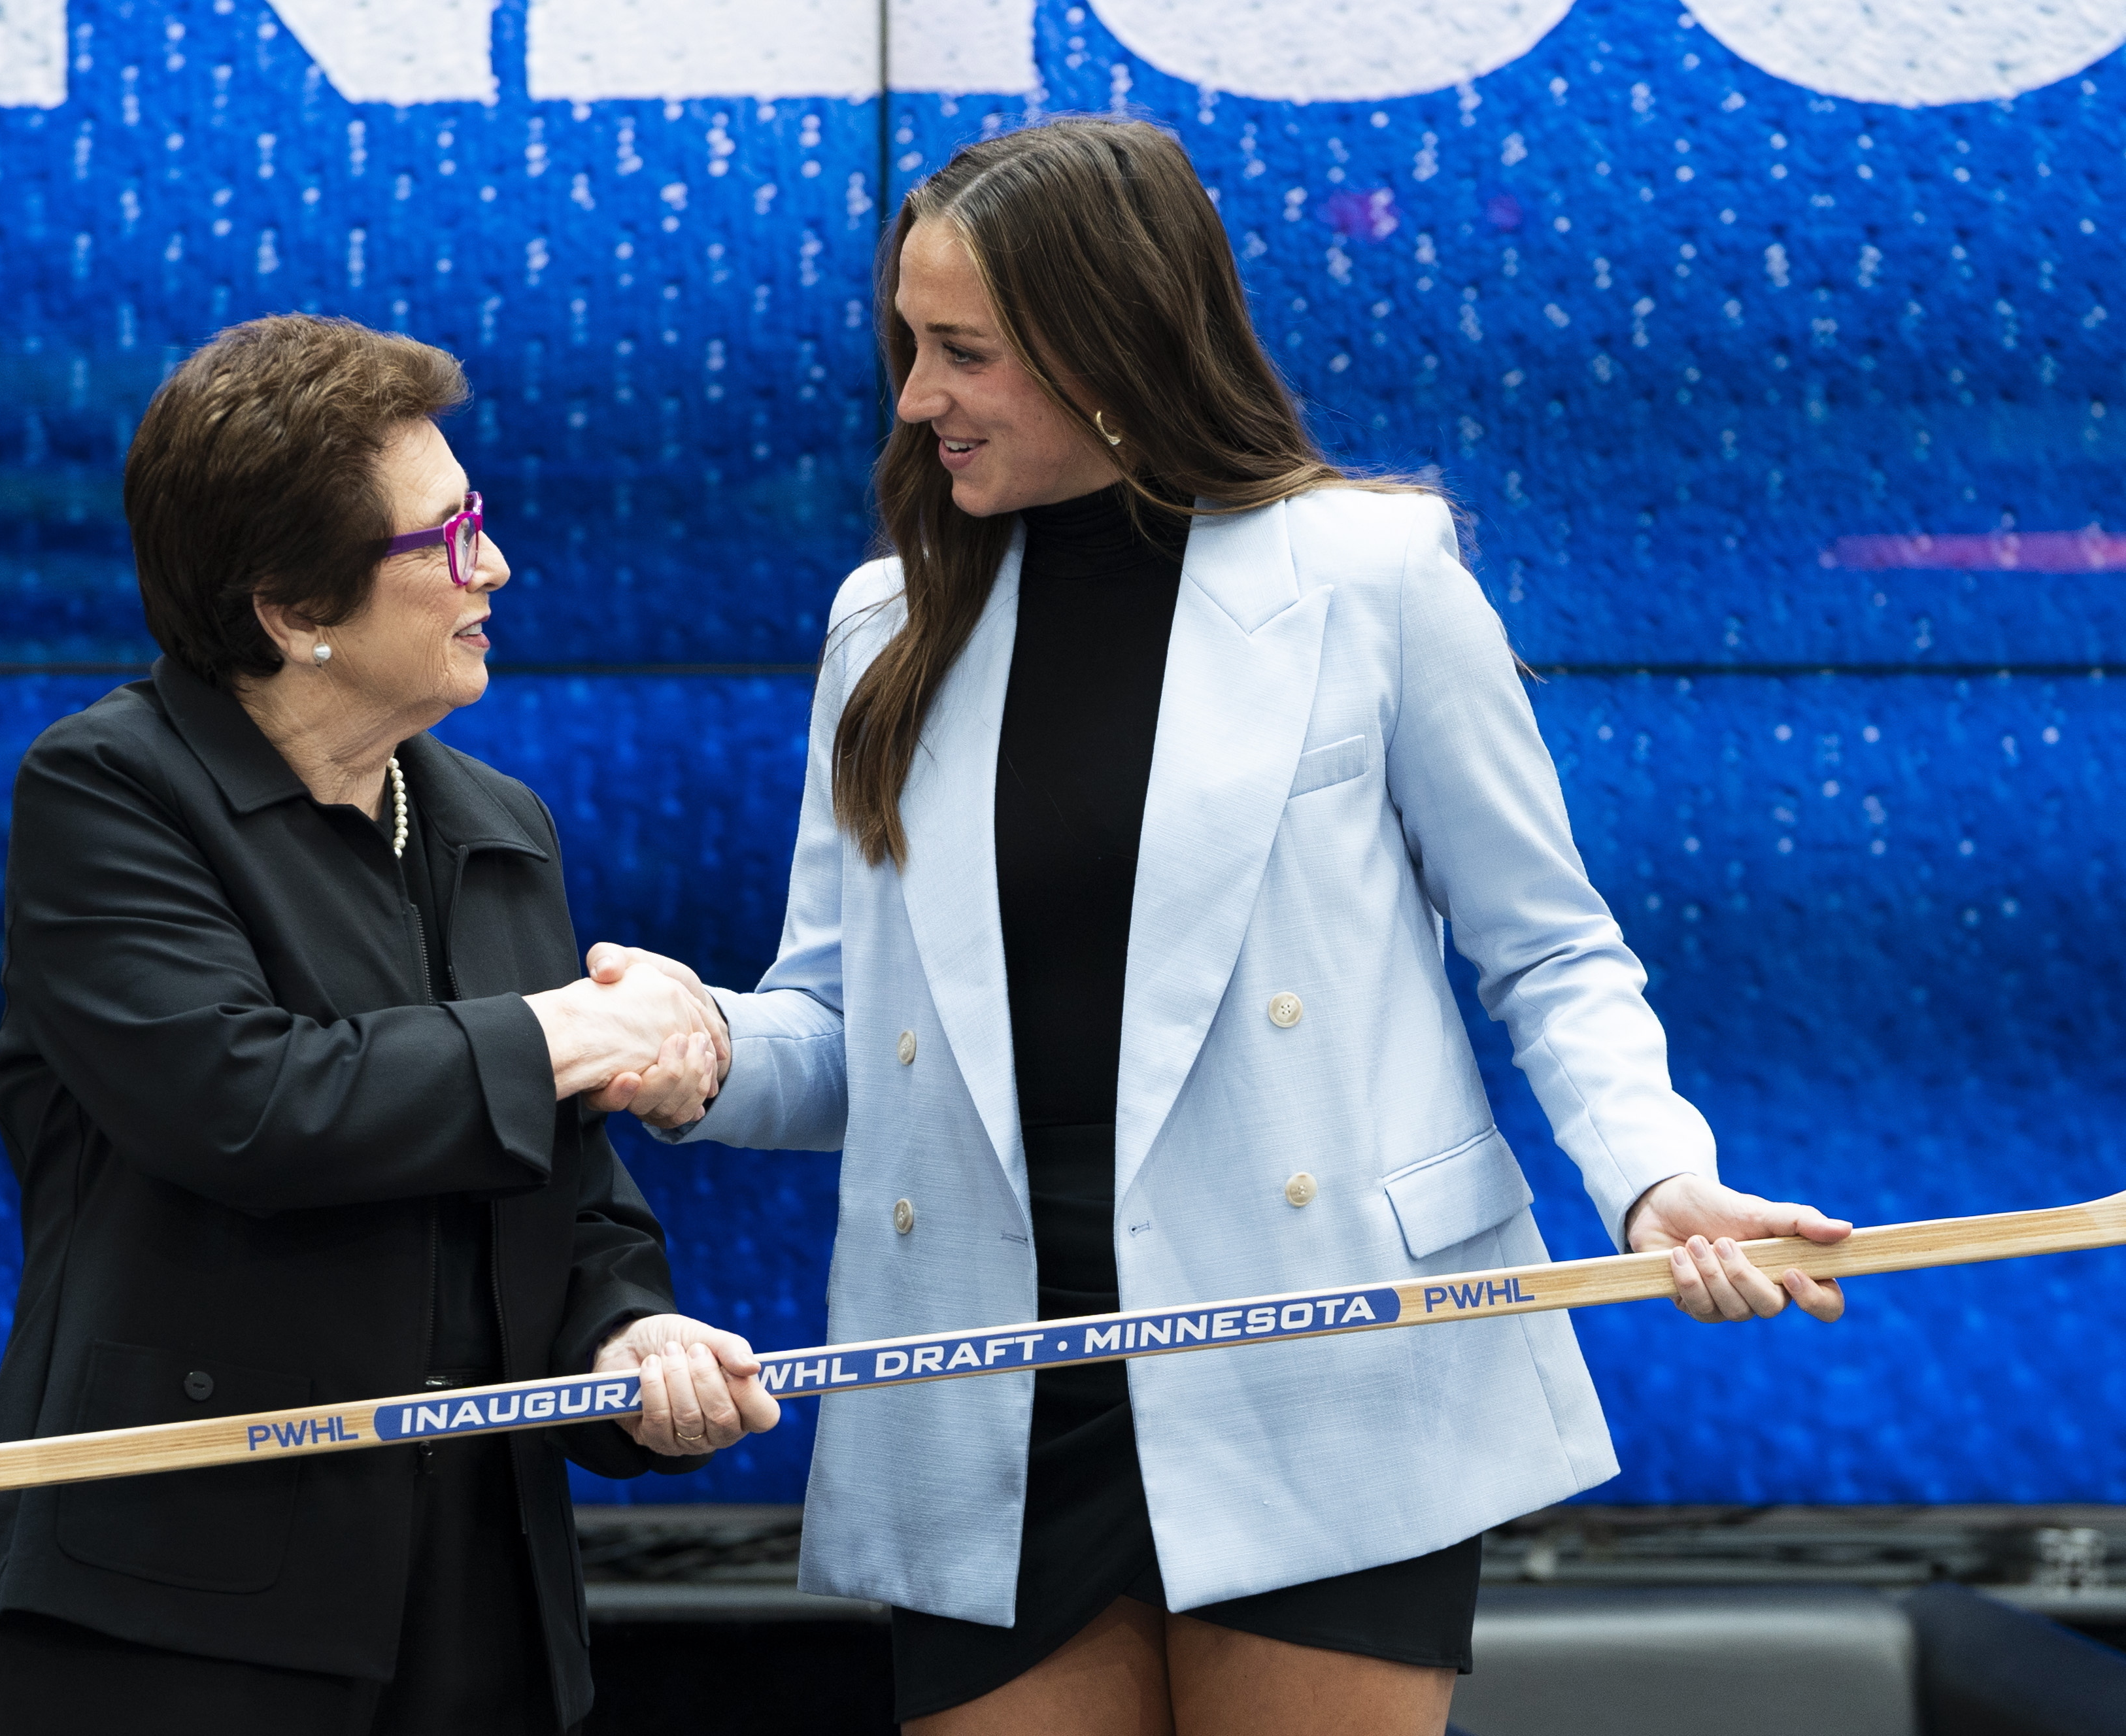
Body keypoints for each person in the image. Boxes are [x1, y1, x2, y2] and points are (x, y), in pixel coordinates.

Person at [597, 118, 1850, 1735]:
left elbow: (1545, 946)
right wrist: (694, 1048)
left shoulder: (1369, 571)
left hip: (1319, 1347)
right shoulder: (881, 620)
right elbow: (838, 1037)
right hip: (984, 1386)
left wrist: (1652, 1175)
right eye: (908, 344)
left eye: (961, 350)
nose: (914, 397)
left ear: (1105, 338)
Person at [0, 313, 777, 1736]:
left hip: (475, 1611)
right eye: (445, 539)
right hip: (167, 1614)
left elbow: (569, 1203)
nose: (491, 567)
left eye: (480, 522)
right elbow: (243, 1101)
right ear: (288, 608)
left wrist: (629, 1335)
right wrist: (574, 1029)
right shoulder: (107, 792)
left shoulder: (497, 823)